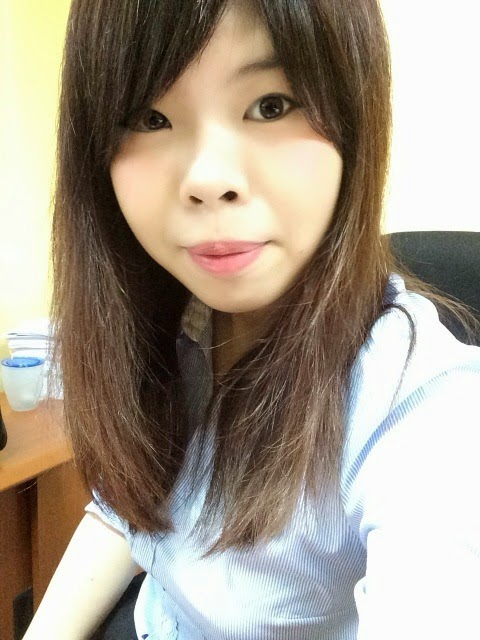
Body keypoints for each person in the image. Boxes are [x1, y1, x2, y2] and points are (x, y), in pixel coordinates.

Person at [23, 0, 480, 638]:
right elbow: (126, 510)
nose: (209, 180)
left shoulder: (423, 409)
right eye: (151, 118)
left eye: (271, 105)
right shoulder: (170, 319)